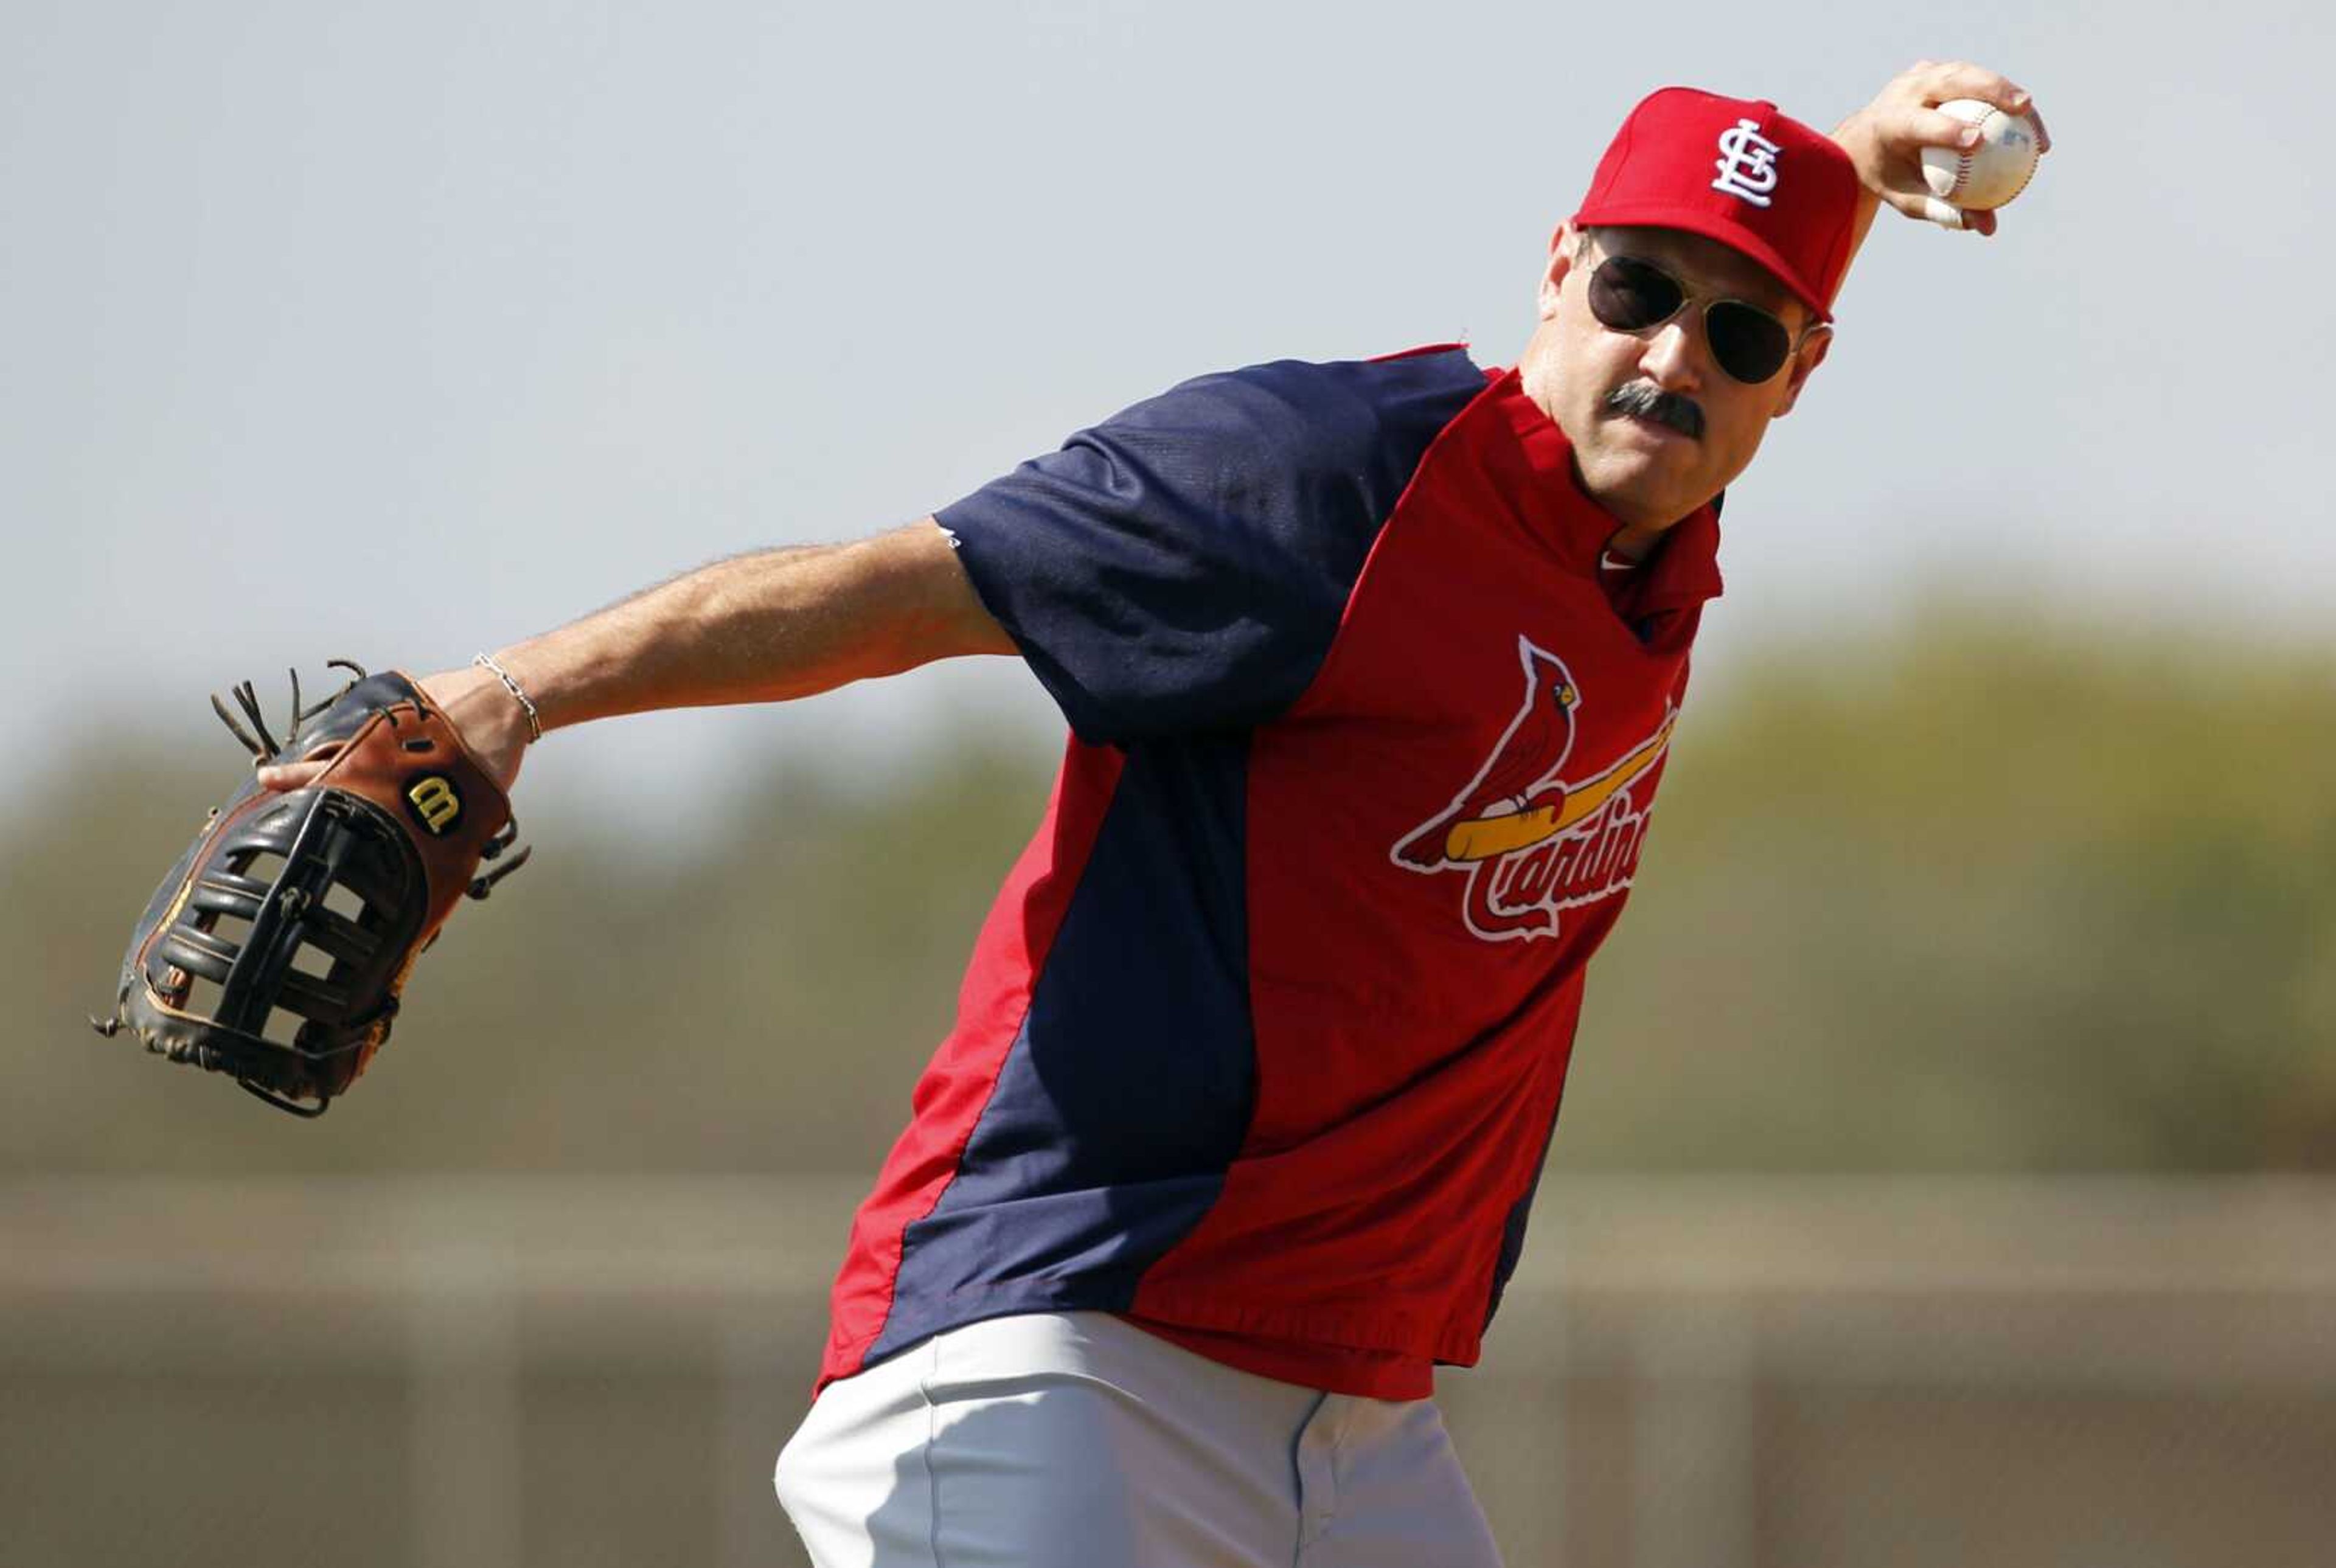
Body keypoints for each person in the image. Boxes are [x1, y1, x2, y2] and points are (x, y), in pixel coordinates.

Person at [264, 60, 2047, 1568]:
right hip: (1063, 1359)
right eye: (1636, 292)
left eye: (1738, 330)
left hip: (1361, 1427)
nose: (1674, 353)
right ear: (1556, 272)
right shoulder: (1326, 483)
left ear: (1801, 373)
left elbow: (1730, 313)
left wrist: (1850, 182)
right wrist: (508, 701)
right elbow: (903, 590)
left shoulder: (1648, 546)